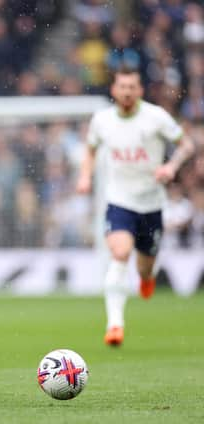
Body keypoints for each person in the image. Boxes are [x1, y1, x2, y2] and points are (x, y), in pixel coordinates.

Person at [77, 67, 195, 346]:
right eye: (122, 87)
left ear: (140, 91)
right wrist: (85, 175)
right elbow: (91, 149)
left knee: (144, 268)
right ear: (114, 91)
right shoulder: (102, 120)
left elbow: (186, 145)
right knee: (120, 253)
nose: (127, 92)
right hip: (119, 201)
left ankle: (146, 278)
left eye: (132, 87)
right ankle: (114, 325)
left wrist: (171, 166)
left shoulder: (156, 117)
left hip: (152, 204)